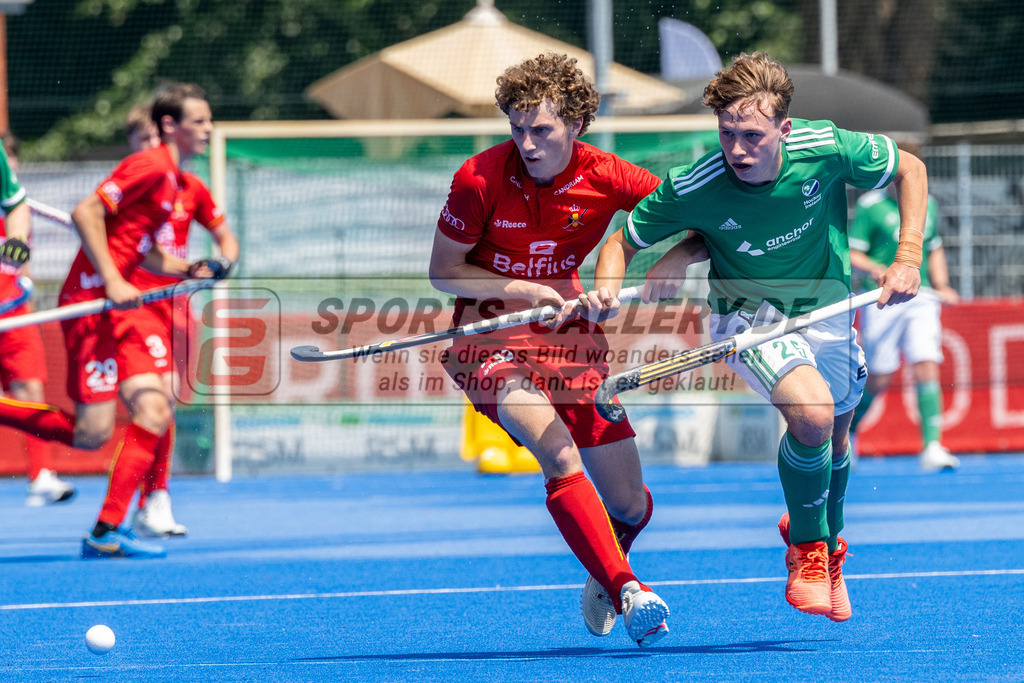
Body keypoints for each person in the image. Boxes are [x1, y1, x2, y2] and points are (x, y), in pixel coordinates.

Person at [591, 52, 928, 622]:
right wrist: (609, 291)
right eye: (727, 134)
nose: (738, 149)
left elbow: (909, 168)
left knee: (836, 441)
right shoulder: (700, 180)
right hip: (747, 316)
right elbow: (622, 239)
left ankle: (826, 542)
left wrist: (909, 253)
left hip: (827, 308)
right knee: (815, 415)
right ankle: (806, 550)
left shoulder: (822, 146)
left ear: (784, 130)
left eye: (752, 134)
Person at [429, 53, 670, 647]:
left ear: (577, 125)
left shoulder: (611, 175)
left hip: (568, 336)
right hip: (485, 334)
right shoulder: (478, 179)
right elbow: (443, 271)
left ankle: (604, 560)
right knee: (558, 455)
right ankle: (627, 587)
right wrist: (524, 289)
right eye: (516, 127)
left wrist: (647, 267)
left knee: (632, 504)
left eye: (542, 130)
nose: (527, 143)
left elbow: (688, 218)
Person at [0, 83, 231, 558]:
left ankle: (108, 530)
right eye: (200, 121)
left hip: (119, 306)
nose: (209, 130)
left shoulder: (173, 179)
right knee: (106, 428)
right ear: (171, 126)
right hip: (94, 302)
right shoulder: (149, 165)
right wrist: (112, 280)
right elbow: (85, 212)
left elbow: (138, 249)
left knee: (133, 417)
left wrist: (188, 269)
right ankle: (122, 520)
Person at [117, 104, 239, 536]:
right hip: (132, 302)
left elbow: (225, 236)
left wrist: (221, 262)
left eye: (156, 139)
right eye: (143, 141)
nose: (153, 148)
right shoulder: (131, 181)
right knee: (150, 403)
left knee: (165, 403)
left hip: (176, 303)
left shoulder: (189, 185)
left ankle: (151, 500)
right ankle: (146, 502)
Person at [848, 139, 961, 472]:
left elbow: (935, 247)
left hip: (921, 295)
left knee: (926, 361)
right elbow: (853, 251)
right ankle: (848, 433)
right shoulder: (871, 206)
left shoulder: (930, 205)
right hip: (882, 299)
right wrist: (874, 268)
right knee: (879, 378)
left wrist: (942, 285)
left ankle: (933, 447)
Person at [0, 131, 77, 505]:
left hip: (14, 314)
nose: (8, 166)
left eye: (11, 159)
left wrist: (23, 275)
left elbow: (19, 237)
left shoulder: (14, 203)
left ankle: (42, 475)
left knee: (30, 392)